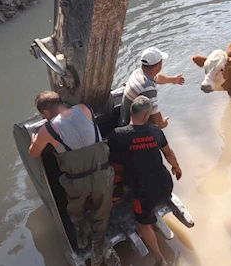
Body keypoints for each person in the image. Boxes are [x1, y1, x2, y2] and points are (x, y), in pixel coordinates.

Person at [29, 91, 120, 266]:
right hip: (102, 174)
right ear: (60, 102)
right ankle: (98, 246)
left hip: (77, 182)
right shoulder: (84, 109)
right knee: (102, 210)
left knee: (75, 208)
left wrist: (35, 140)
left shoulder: (47, 129)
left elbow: (34, 153)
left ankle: (80, 235)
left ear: (46, 113)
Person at [108, 96, 182, 266]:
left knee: (142, 224)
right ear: (147, 114)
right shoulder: (156, 131)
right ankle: (151, 218)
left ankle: (159, 259)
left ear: (129, 112)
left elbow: (110, 161)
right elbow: (169, 153)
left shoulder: (118, 135)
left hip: (144, 193)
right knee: (149, 204)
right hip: (166, 185)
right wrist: (177, 168)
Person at [120, 47, 185, 128]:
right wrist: (163, 123)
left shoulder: (138, 73)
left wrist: (173, 80)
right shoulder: (148, 88)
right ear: (157, 65)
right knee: (156, 128)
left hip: (124, 115)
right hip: (129, 124)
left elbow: (157, 78)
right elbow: (156, 119)